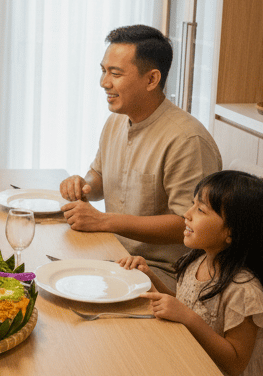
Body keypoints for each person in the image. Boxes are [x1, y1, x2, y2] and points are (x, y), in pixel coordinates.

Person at [59, 25, 222, 290]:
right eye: (103, 70)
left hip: (165, 272)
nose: (104, 82)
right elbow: (99, 175)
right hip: (116, 254)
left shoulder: (187, 139)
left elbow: (187, 223)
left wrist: (104, 221)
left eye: (116, 73)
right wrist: (84, 184)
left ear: (151, 80)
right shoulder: (116, 121)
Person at [118, 170, 263, 375]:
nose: (187, 214)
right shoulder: (197, 261)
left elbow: (235, 364)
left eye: (200, 210)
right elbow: (184, 304)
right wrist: (148, 276)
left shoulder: (244, 292)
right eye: (193, 204)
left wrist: (188, 318)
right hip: (192, 359)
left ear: (231, 232)